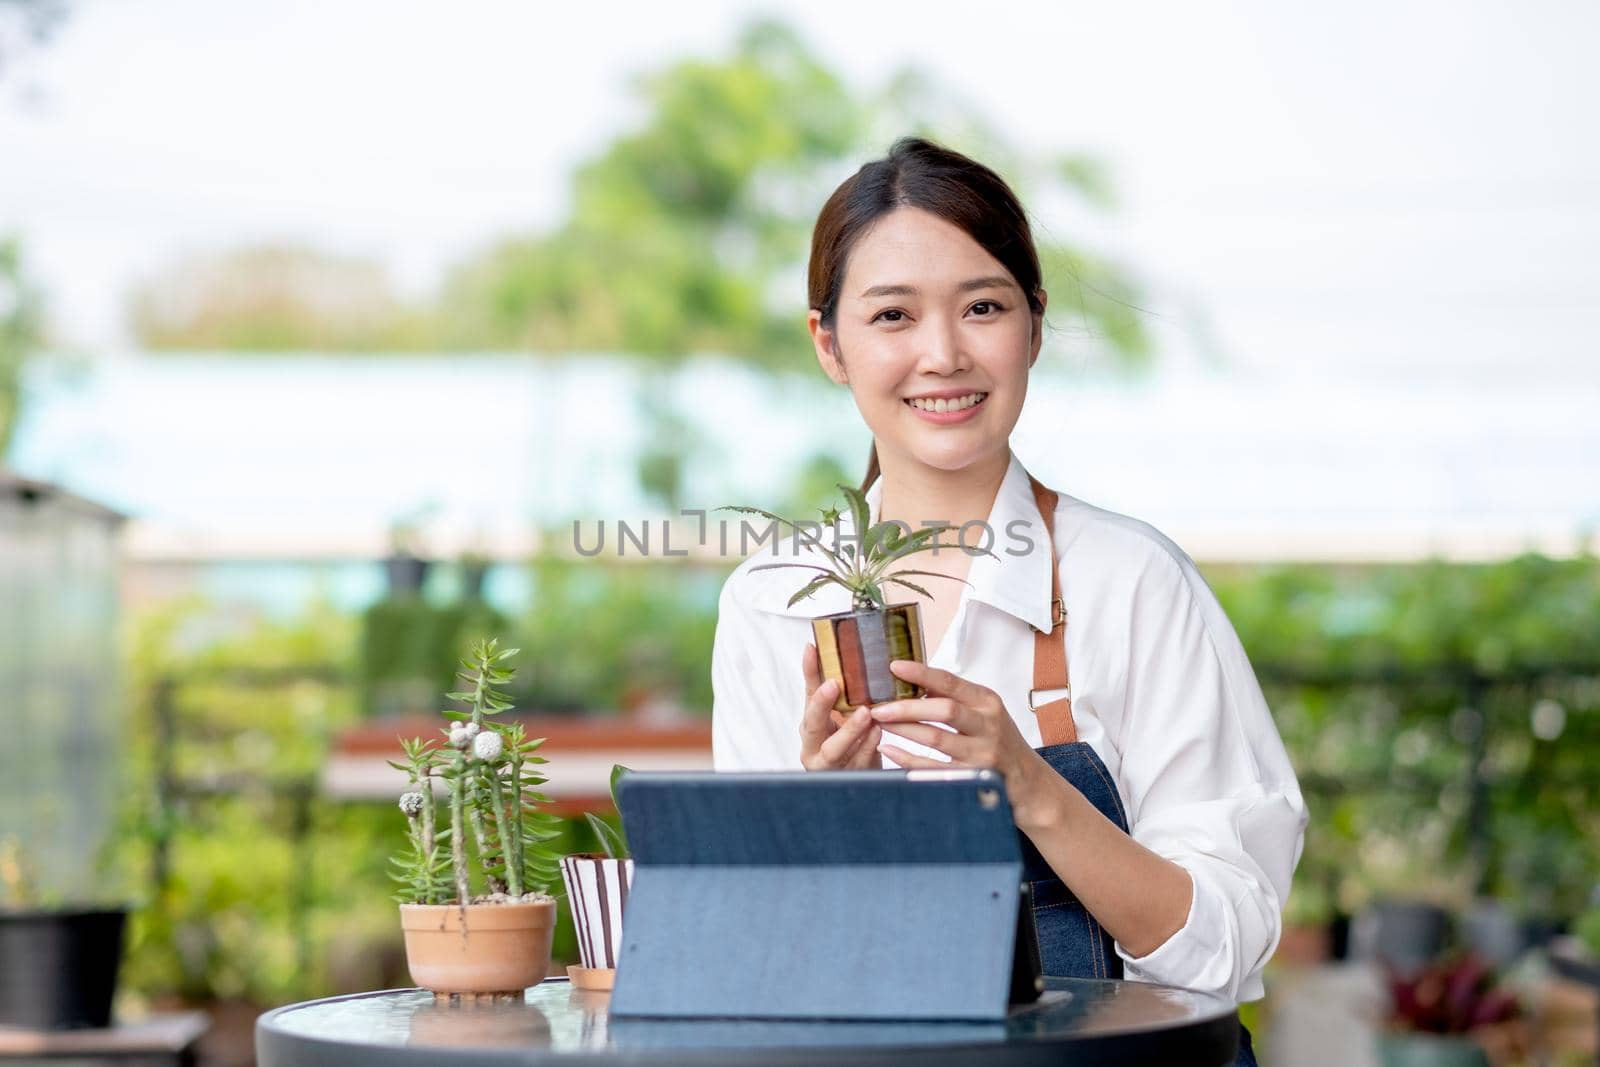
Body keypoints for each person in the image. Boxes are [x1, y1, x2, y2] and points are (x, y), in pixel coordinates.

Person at [710, 137, 1306, 1065]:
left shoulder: (1133, 582)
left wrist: (1032, 788)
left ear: (1033, 323)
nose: (942, 355)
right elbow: (757, 963)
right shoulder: (771, 604)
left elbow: (1226, 946)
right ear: (830, 344)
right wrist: (828, 820)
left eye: (982, 307)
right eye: (893, 316)